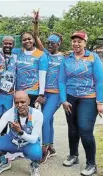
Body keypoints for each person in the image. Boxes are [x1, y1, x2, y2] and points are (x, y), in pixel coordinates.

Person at [59, 31, 103, 176]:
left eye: (79, 41)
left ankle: (91, 164)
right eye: (74, 41)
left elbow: (99, 81)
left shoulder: (94, 57)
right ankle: (73, 155)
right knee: (72, 129)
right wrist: (64, 100)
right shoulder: (66, 58)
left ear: (85, 42)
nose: (76, 43)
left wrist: (99, 102)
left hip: (88, 98)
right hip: (70, 98)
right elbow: (62, 81)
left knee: (85, 130)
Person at [0, 91, 43, 176]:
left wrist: (21, 132)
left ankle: (34, 166)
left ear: (29, 101)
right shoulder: (9, 113)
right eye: (16, 102)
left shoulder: (37, 114)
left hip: (28, 144)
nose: (19, 105)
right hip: (13, 141)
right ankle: (4, 162)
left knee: (37, 152)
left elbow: (33, 139)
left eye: (23, 102)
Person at [33, 10, 64, 163]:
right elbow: (36, 37)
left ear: (59, 44)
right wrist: (36, 23)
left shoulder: (64, 58)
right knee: (49, 120)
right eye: (49, 43)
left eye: (53, 43)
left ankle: (44, 149)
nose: (49, 45)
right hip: (45, 93)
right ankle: (51, 148)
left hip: (56, 94)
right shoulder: (45, 54)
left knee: (44, 120)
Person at [13, 32, 48, 108]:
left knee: (31, 117)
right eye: (24, 40)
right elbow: (3, 49)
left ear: (34, 40)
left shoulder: (41, 54)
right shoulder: (18, 52)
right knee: (19, 117)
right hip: (19, 92)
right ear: (21, 42)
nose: (27, 41)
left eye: (29, 39)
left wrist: (41, 94)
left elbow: (42, 75)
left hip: (33, 92)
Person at [0, 36, 16, 130]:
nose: (7, 45)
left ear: (13, 45)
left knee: (6, 118)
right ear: (2, 44)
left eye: (10, 44)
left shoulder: (16, 56)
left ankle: (2, 139)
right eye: (5, 43)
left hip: (9, 95)